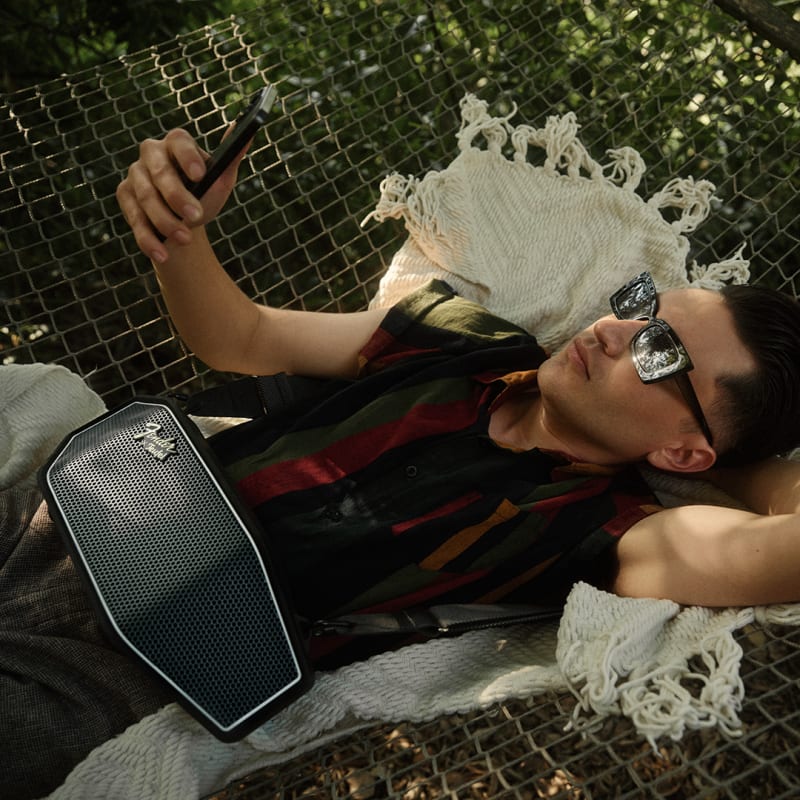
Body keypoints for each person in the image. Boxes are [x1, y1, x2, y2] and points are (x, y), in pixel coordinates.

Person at [3, 125, 800, 799]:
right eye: (640, 305)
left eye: (660, 351)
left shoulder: (609, 530)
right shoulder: (468, 340)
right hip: (79, 509)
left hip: (138, 667)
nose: (615, 330)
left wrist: (717, 471)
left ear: (685, 447)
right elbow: (241, 336)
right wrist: (181, 233)